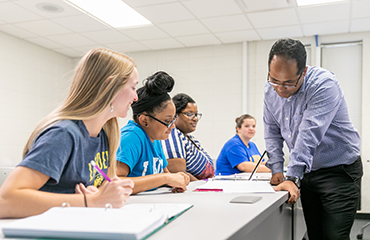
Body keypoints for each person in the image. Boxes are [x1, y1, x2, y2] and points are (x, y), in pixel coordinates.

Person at [0, 48, 136, 218]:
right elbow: (6, 200)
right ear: (109, 86)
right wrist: (91, 202)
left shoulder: (104, 135)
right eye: (132, 87)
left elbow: (94, 190)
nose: (136, 97)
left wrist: (97, 193)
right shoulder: (63, 134)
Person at [264, 38, 363, 240]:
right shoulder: (270, 89)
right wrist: (276, 169)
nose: (280, 89)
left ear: (304, 72)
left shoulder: (323, 85)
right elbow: (272, 130)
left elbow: (309, 134)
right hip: (309, 173)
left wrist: (291, 177)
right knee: (315, 235)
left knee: (334, 237)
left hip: (339, 172)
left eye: (289, 83)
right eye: (274, 80)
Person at [116, 72, 190, 194]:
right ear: (144, 120)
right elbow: (116, 183)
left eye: (173, 120)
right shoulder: (131, 137)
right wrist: (166, 178)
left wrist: (176, 178)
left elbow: (164, 174)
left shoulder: (154, 138)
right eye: (167, 121)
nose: (172, 126)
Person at [161, 93, 214, 181]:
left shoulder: (190, 138)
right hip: (193, 191)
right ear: (175, 115)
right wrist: (204, 187)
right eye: (189, 114)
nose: (195, 118)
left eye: (196, 114)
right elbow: (178, 174)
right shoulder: (172, 136)